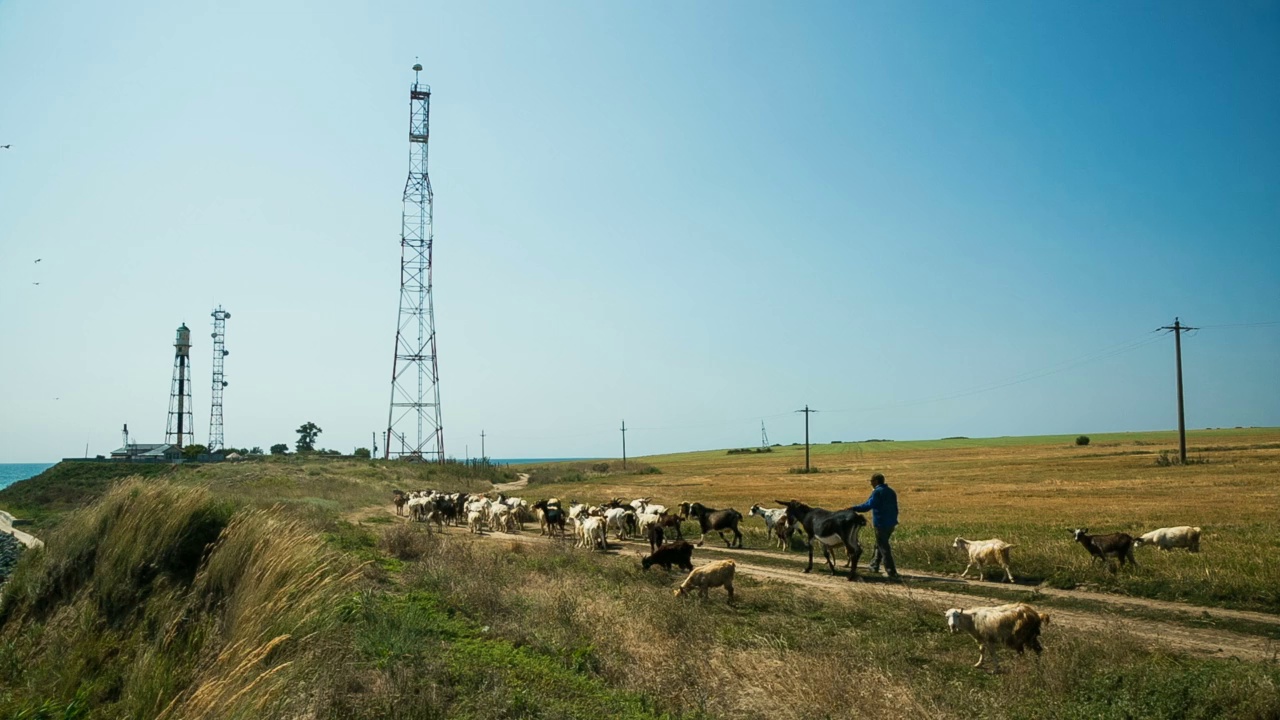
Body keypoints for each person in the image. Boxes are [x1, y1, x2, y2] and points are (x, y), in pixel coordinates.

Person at [852, 472, 899, 579]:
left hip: (881, 523)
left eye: (871, 481)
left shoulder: (877, 492)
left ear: (876, 481)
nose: (871, 484)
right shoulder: (891, 491)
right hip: (891, 523)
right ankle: (874, 565)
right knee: (879, 543)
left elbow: (868, 506)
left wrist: (853, 508)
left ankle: (891, 571)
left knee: (883, 547)